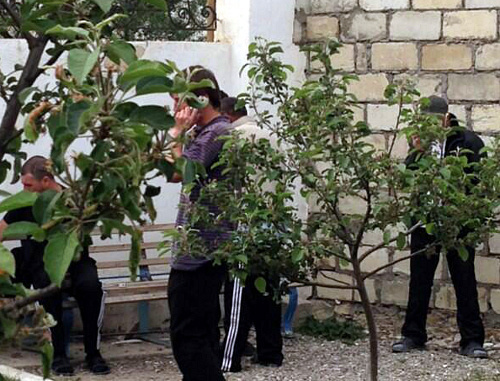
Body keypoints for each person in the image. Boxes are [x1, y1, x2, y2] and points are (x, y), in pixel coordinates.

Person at [392, 96, 487, 358]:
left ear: (446, 118)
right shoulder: (420, 143)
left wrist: (466, 210)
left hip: (458, 223)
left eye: (433, 121)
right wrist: (418, 152)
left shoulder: (468, 142)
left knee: (464, 280)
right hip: (426, 222)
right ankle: (413, 335)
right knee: (420, 279)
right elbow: (409, 179)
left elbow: (479, 181)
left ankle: (471, 340)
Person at [0, 156, 110, 375]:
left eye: (28, 185)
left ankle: (93, 353)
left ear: (47, 181)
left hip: (77, 261)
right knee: (47, 287)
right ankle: (59, 355)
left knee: (91, 287)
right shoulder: (25, 202)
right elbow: (1, 230)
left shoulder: (74, 200)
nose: (24, 189)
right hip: (40, 265)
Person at [166, 66, 231, 381]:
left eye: (179, 100)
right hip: (201, 248)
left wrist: (175, 134)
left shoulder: (216, 133)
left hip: (199, 253)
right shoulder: (205, 133)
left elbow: (179, 173)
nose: (175, 108)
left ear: (202, 98)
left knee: (187, 338)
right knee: (202, 333)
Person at [219, 97, 284, 373]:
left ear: (229, 114)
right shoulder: (270, 135)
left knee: (238, 293)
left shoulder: (233, 139)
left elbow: (226, 182)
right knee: (268, 291)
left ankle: (229, 358)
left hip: (244, 223)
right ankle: (271, 352)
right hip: (270, 223)